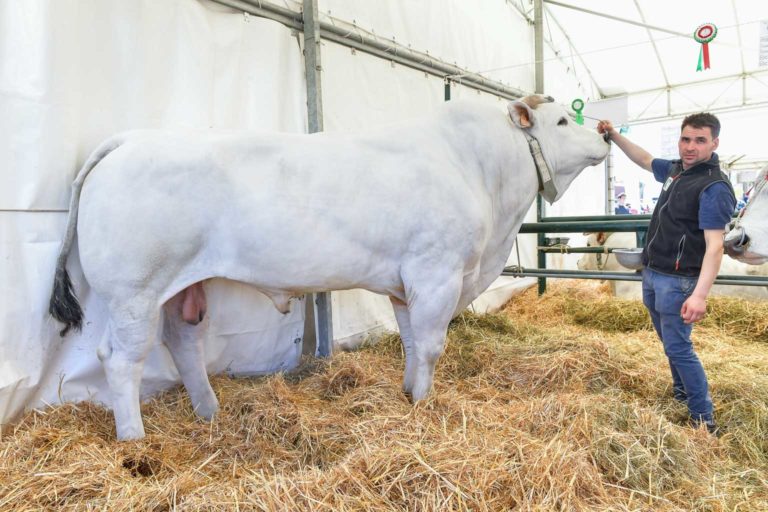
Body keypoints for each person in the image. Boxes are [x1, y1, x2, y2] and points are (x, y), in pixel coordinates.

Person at [598, 113, 736, 434]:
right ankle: (681, 394)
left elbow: (715, 246)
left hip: (679, 281)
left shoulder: (714, 187)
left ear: (714, 143)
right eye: (686, 139)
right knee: (670, 343)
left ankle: (704, 419)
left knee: (679, 348)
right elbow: (644, 158)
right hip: (654, 273)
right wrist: (614, 134)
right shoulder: (676, 169)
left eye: (700, 140)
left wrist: (699, 295)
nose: (690, 147)